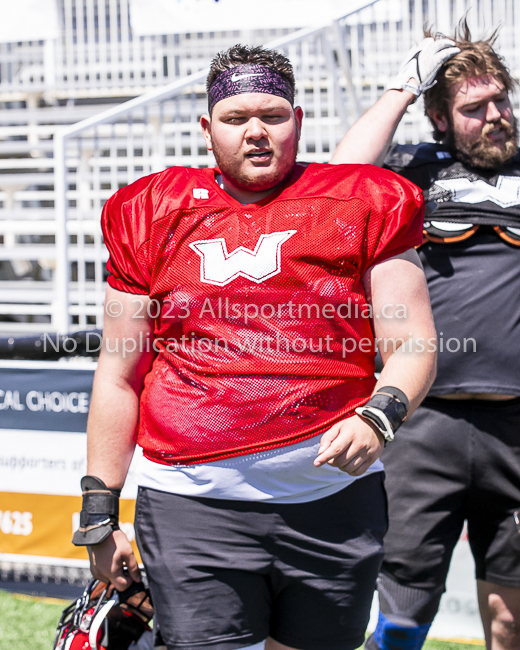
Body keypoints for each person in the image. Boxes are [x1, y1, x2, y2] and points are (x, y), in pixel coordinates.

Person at [74, 44, 436, 650]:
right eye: (236, 118)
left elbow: (414, 341)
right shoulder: (152, 210)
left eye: (272, 115)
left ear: (298, 119)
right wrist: (97, 511)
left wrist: (381, 416)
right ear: (206, 128)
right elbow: (118, 375)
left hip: (332, 501)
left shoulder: (362, 200)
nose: (256, 132)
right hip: (192, 504)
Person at [331, 20, 520, 650]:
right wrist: (402, 87)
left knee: (511, 617)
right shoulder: (413, 171)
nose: (495, 115)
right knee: (403, 612)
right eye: (474, 108)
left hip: (516, 428)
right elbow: (337, 184)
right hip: (424, 423)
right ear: (440, 118)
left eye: (502, 99)